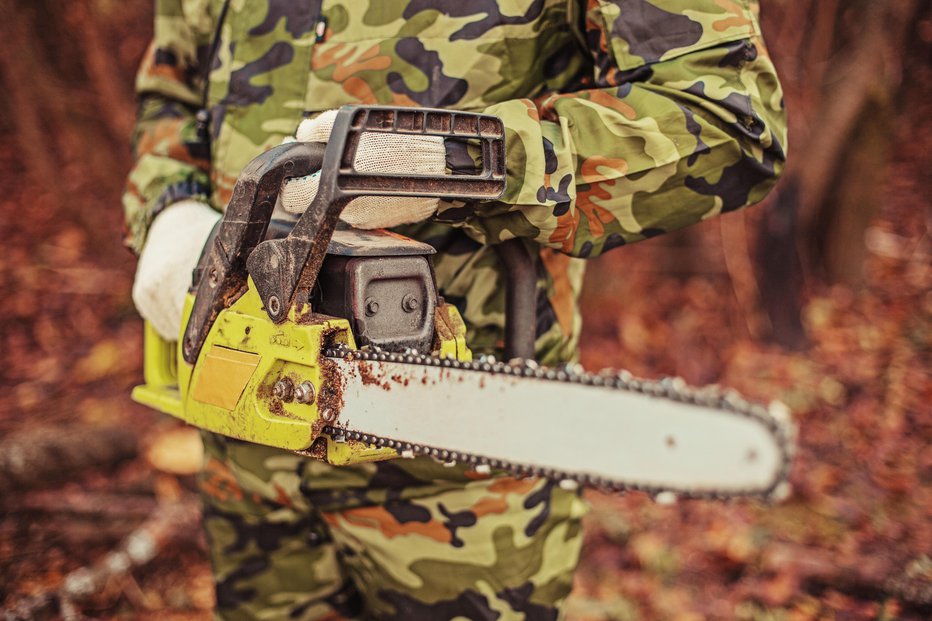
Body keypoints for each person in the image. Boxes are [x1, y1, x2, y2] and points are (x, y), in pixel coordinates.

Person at [126, 1, 787, 619]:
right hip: (242, 448)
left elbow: (728, 115)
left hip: (463, 482)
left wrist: (454, 160)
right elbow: (173, 84)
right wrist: (169, 206)